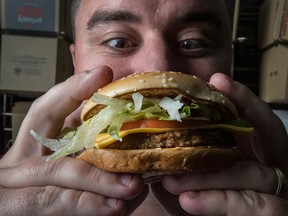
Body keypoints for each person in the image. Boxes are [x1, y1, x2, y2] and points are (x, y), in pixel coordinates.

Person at [0, 0, 288, 215]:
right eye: (118, 41)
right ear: (76, 61)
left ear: (229, 57)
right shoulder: (18, 187)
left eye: (192, 42)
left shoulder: (272, 174)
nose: (157, 67)